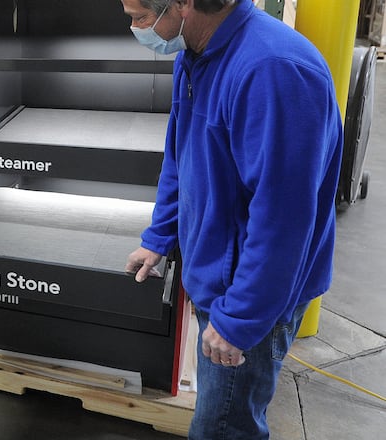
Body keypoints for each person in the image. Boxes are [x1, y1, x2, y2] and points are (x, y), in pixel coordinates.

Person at [120, 0, 342, 438]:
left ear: (182, 4)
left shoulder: (274, 71)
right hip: (220, 281)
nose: (135, 28)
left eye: (140, 16)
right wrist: (160, 235)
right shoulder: (195, 54)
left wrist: (239, 320)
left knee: (224, 427)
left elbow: (283, 220)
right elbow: (181, 156)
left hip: (252, 296)